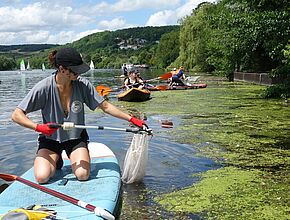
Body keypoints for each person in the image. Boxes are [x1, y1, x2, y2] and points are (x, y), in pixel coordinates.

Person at [11, 47, 149, 184]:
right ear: (62, 69)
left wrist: (131, 119)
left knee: (82, 175)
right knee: (42, 177)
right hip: (51, 140)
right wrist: (38, 127)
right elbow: (17, 115)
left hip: (75, 138)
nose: (79, 74)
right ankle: (56, 158)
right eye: (76, 70)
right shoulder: (44, 87)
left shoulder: (83, 85)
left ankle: (77, 154)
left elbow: (105, 106)